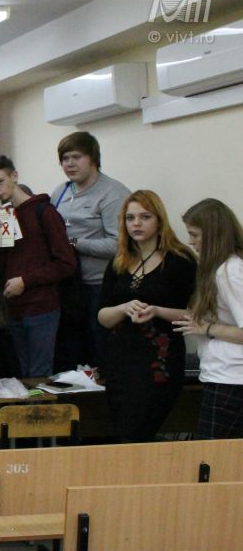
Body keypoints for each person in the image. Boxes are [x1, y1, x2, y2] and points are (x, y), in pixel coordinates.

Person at [95, 192, 195, 443]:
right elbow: (103, 316)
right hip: (120, 362)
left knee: (136, 432)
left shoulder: (179, 261)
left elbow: (197, 315)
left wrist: (157, 310)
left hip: (158, 362)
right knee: (123, 434)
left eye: (145, 217)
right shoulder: (119, 261)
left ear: (159, 221)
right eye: (130, 218)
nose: (136, 224)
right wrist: (123, 308)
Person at [0, 156, 78, 378]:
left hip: (42, 306)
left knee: (39, 375)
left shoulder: (44, 211)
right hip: (15, 307)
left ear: (14, 176)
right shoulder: (6, 215)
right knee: (25, 375)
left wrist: (25, 281)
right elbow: (6, 265)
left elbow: (66, 263)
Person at [51, 131, 131, 369]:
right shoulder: (61, 191)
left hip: (100, 285)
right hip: (68, 285)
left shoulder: (113, 193)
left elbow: (119, 244)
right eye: (65, 159)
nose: (70, 164)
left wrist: (74, 243)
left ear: (93, 159)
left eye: (77, 157)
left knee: (99, 350)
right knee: (71, 354)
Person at [174, 199, 243, 440]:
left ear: (213, 234)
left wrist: (207, 328)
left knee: (212, 455)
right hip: (225, 377)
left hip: (232, 379)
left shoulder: (230, 271)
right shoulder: (221, 269)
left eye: (194, 235)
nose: (190, 242)